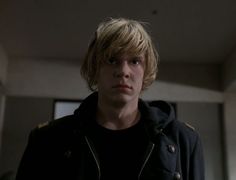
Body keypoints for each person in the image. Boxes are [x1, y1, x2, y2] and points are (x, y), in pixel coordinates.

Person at [16, 18, 205, 180]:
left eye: (135, 61)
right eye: (112, 60)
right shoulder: (47, 140)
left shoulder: (183, 140)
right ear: (95, 67)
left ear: (146, 70)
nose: (123, 71)